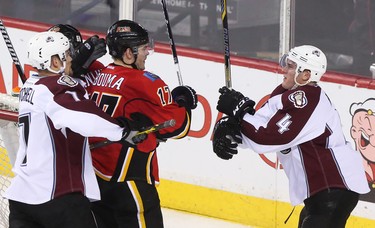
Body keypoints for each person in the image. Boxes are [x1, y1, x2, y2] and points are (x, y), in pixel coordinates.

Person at [212, 45, 370, 227]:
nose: (284, 69)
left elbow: (267, 138)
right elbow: (259, 127)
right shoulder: (286, 94)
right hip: (323, 194)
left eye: (291, 66)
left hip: (333, 190)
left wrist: (239, 112)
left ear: (306, 75)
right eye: (285, 64)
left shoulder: (307, 99)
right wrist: (226, 127)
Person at [4, 31, 144, 228]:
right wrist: (121, 130)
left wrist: (75, 73)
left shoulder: (30, 85)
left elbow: (65, 96)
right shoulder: (56, 89)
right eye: (68, 54)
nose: (72, 58)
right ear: (54, 62)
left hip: (22, 200)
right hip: (56, 198)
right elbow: (84, 116)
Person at [86, 20, 197, 228]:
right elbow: (179, 127)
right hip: (129, 183)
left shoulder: (98, 76)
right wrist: (183, 102)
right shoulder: (144, 82)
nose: (147, 52)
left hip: (96, 179)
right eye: (144, 48)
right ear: (129, 54)